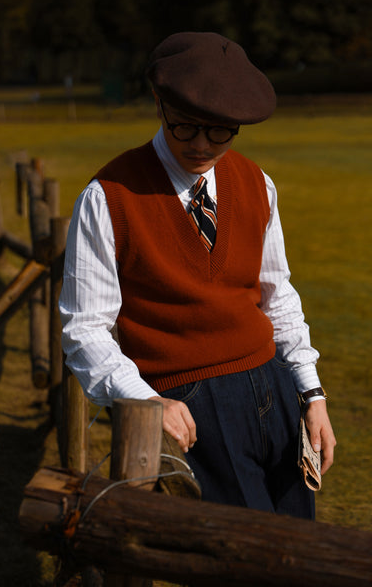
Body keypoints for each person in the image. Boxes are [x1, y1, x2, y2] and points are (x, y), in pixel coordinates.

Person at [59, 31, 336, 518]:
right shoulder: (108, 197)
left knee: (299, 550)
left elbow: (278, 295)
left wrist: (311, 392)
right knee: (236, 557)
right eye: (186, 127)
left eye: (220, 131)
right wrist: (145, 401)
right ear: (159, 103)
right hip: (191, 406)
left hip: (275, 387)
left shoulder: (257, 183)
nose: (203, 145)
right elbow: (85, 330)